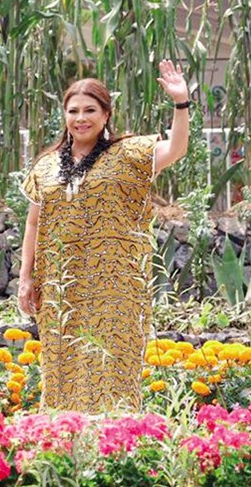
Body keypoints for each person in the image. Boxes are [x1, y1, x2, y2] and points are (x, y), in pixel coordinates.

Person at [17, 60, 191, 413]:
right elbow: (33, 223)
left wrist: (180, 103)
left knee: (111, 364)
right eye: (73, 111)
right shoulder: (46, 165)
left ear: (106, 114)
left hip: (115, 284)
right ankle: (63, 434)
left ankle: (115, 437)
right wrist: (25, 277)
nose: (81, 118)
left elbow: (176, 150)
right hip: (61, 285)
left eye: (90, 110)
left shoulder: (129, 154)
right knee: (62, 365)